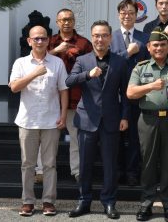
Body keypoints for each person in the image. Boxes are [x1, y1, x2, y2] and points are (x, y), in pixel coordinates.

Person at [66, 20, 130, 219]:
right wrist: (87, 74)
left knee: (110, 164)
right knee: (85, 164)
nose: (100, 39)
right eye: (96, 35)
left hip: (111, 119)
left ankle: (109, 202)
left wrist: (125, 116)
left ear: (110, 38)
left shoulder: (120, 61)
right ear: (92, 37)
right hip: (87, 119)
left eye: (104, 35)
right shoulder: (82, 60)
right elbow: (68, 81)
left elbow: (125, 93)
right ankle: (84, 201)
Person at [127, 27, 168, 222]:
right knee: (148, 163)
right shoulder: (141, 67)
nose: (159, 48)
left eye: (163, 44)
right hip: (148, 120)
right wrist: (150, 86)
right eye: (155, 44)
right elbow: (130, 93)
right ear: (148, 46)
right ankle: (146, 204)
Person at [9, 25, 68, 217]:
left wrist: (64, 115)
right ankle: (28, 202)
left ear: (49, 40)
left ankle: (48, 201)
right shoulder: (20, 63)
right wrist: (34, 73)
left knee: (50, 163)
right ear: (29, 41)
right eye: (36, 39)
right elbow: (14, 87)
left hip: (51, 119)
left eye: (43, 38)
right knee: (28, 163)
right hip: (28, 120)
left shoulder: (57, 63)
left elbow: (63, 90)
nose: (40, 41)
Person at [48, 8, 93, 182]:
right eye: (63, 20)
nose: (66, 22)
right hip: (52, 100)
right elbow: (38, 61)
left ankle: (77, 171)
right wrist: (56, 51)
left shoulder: (83, 43)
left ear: (74, 21)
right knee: (48, 139)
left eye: (69, 19)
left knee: (76, 137)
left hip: (76, 99)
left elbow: (91, 67)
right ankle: (45, 170)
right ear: (57, 22)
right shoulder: (50, 42)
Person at [111, 0, 150, 186]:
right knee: (116, 137)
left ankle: (132, 172)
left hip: (137, 96)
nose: (127, 16)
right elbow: (108, 63)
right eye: (124, 13)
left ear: (137, 16)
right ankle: (117, 171)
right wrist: (128, 53)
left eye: (131, 13)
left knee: (135, 137)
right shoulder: (110, 37)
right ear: (119, 15)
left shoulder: (144, 38)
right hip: (115, 96)